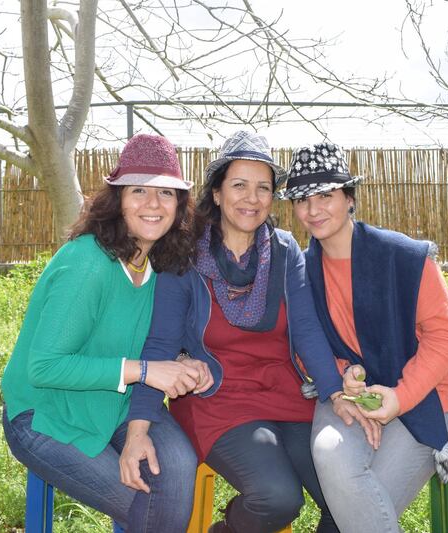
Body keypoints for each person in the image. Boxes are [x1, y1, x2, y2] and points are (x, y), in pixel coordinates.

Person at [124, 131, 344, 533]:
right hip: (216, 400)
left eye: (263, 188)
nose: (252, 198)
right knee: (278, 498)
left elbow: (308, 329)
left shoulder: (284, 250)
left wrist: (336, 393)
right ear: (219, 194)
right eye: (239, 185)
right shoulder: (185, 255)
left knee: (345, 498)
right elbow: (159, 344)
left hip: (285, 394)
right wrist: (138, 428)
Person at [0, 134, 212, 533]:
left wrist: (180, 363)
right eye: (139, 191)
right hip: (45, 413)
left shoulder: (158, 266)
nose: (153, 204)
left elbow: (149, 342)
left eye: (166, 193)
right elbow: (44, 367)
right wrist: (147, 371)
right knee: (146, 502)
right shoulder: (88, 263)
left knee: (180, 466)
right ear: (117, 199)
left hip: (116, 405)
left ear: (179, 206)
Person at [280, 142, 448, 533]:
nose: (313, 210)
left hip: (432, 395)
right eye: (302, 199)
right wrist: (342, 375)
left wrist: (400, 397)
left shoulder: (401, 257)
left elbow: (447, 336)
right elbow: (306, 344)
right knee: (329, 452)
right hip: (354, 393)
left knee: (348, 518)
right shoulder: (302, 269)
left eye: (325, 195)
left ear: (349, 198)